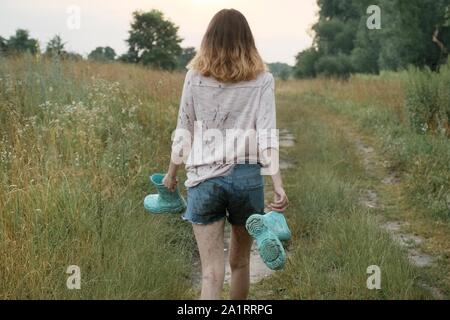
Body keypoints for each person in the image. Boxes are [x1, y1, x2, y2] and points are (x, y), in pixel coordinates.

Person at [162, 8, 288, 300]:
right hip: (246, 178)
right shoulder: (262, 79)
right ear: (248, 40)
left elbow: (184, 129)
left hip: (204, 180)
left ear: (209, 39)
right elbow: (267, 134)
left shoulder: (194, 77)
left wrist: (171, 174)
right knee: (241, 263)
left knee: (211, 273)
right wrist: (278, 184)